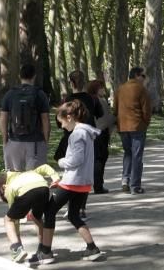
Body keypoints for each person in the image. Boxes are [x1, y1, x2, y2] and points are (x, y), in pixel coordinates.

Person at [46, 99, 106, 262]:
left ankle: (45, 251)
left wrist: (61, 161)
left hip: (73, 182)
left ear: (69, 117)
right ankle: (92, 248)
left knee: (50, 211)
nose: (62, 126)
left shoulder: (77, 134)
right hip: (82, 183)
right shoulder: (86, 133)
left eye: (62, 122)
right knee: (73, 216)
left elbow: (76, 160)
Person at [0, 163, 60, 263]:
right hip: (43, 188)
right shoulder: (29, 173)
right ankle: (43, 249)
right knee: (36, 217)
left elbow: (14, 220)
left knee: (8, 220)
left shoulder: (9, 187)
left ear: (3, 187)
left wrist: (18, 242)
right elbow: (45, 167)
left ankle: (17, 249)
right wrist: (55, 178)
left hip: (27, 192)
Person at [0, 62, 51, 170]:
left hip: (14, 141)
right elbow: (45, 119)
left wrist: (5, 141)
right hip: (35, 142)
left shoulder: (10, 94)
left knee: (14, 177)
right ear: (34, 76)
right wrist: (45, 140)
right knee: (35, 179)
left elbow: (3, 119)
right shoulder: (40, 94)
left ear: (20, 76)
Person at [113, 66, 152, 194]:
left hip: (123, 126)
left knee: (128, 153)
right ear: (136, 75)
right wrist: (145, 123)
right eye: (143, 76)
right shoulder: (141, 89)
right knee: (137, 156)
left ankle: (125, 181)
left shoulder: (120, 89)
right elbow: (146, 110)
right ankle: (135, 185)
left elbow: (115, 109)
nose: (144, 79)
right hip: (137, 126)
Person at [54, 70, 100, 162]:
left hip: (70, 138)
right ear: (84, 83)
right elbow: (99, 115)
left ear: (71, 83)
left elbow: (59, 122)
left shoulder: (66, 101)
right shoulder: (92, 99)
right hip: (89, 138)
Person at [87, 78, 115, 193]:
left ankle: (96, 184)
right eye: (102, 87)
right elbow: (105, 119)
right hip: (100, 133)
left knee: (96, 159)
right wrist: (116, 117)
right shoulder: (100, 101)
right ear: (96, 89)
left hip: (92, 132)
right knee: (100, 159)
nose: (104, 89)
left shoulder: (89, 100)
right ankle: (98, 185)